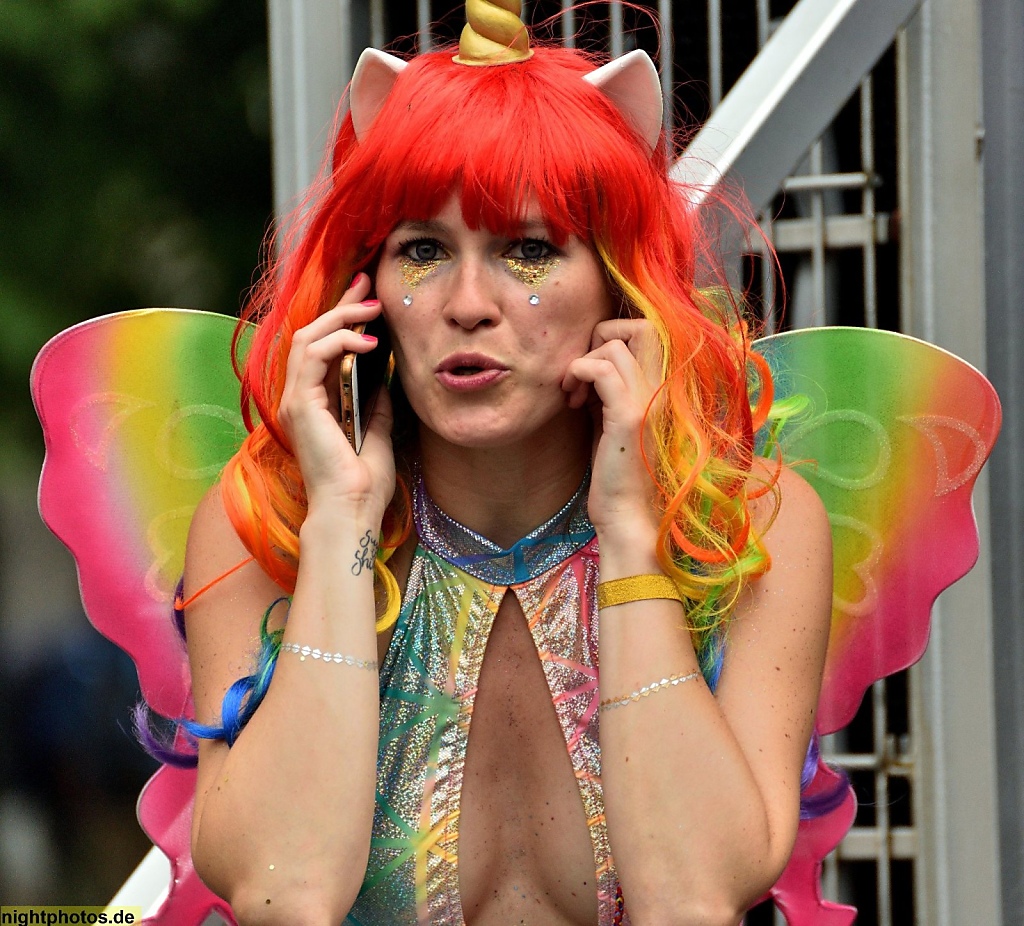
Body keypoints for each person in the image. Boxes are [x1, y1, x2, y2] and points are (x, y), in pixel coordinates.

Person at [180, 4, 833, 924]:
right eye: (423, 250)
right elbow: (283, 894)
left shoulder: (745, 524)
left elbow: (694, 895)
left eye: (528, 249)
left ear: (617, 277)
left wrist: (634, 539)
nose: (469, 303)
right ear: (367, 292)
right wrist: (339, 530)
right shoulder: (269, 522)